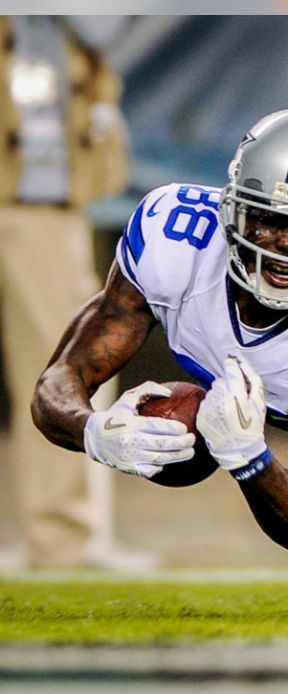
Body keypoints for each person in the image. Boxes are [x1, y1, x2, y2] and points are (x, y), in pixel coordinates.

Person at [31, 108, 288, 557]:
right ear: (231, 207)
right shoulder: (172, 236)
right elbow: (57, 383)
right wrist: (94, 432)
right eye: (269, 218)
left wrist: (249, 459)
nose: (287, 243)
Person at [0, 16, 150, 570]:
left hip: (35, 195)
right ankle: (63, 538)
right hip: (26, 195)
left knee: (63, 360)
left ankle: (66, 534)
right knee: (66, 365)